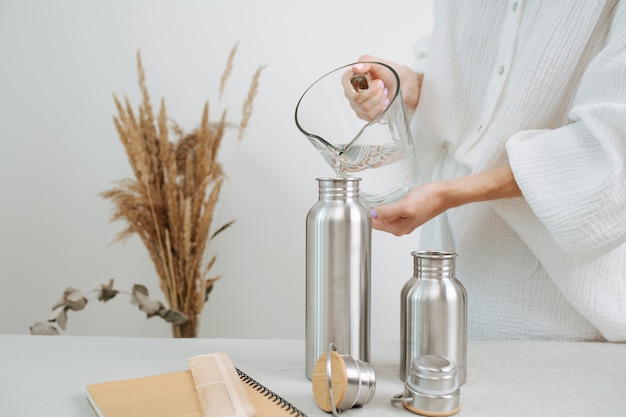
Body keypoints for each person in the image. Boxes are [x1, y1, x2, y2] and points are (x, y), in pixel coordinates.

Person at [345, 1, 626, 341]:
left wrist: (447, 194)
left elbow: (610, 148)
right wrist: (410, 85)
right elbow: (472, 79)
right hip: (450, 275)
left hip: (560, 313)